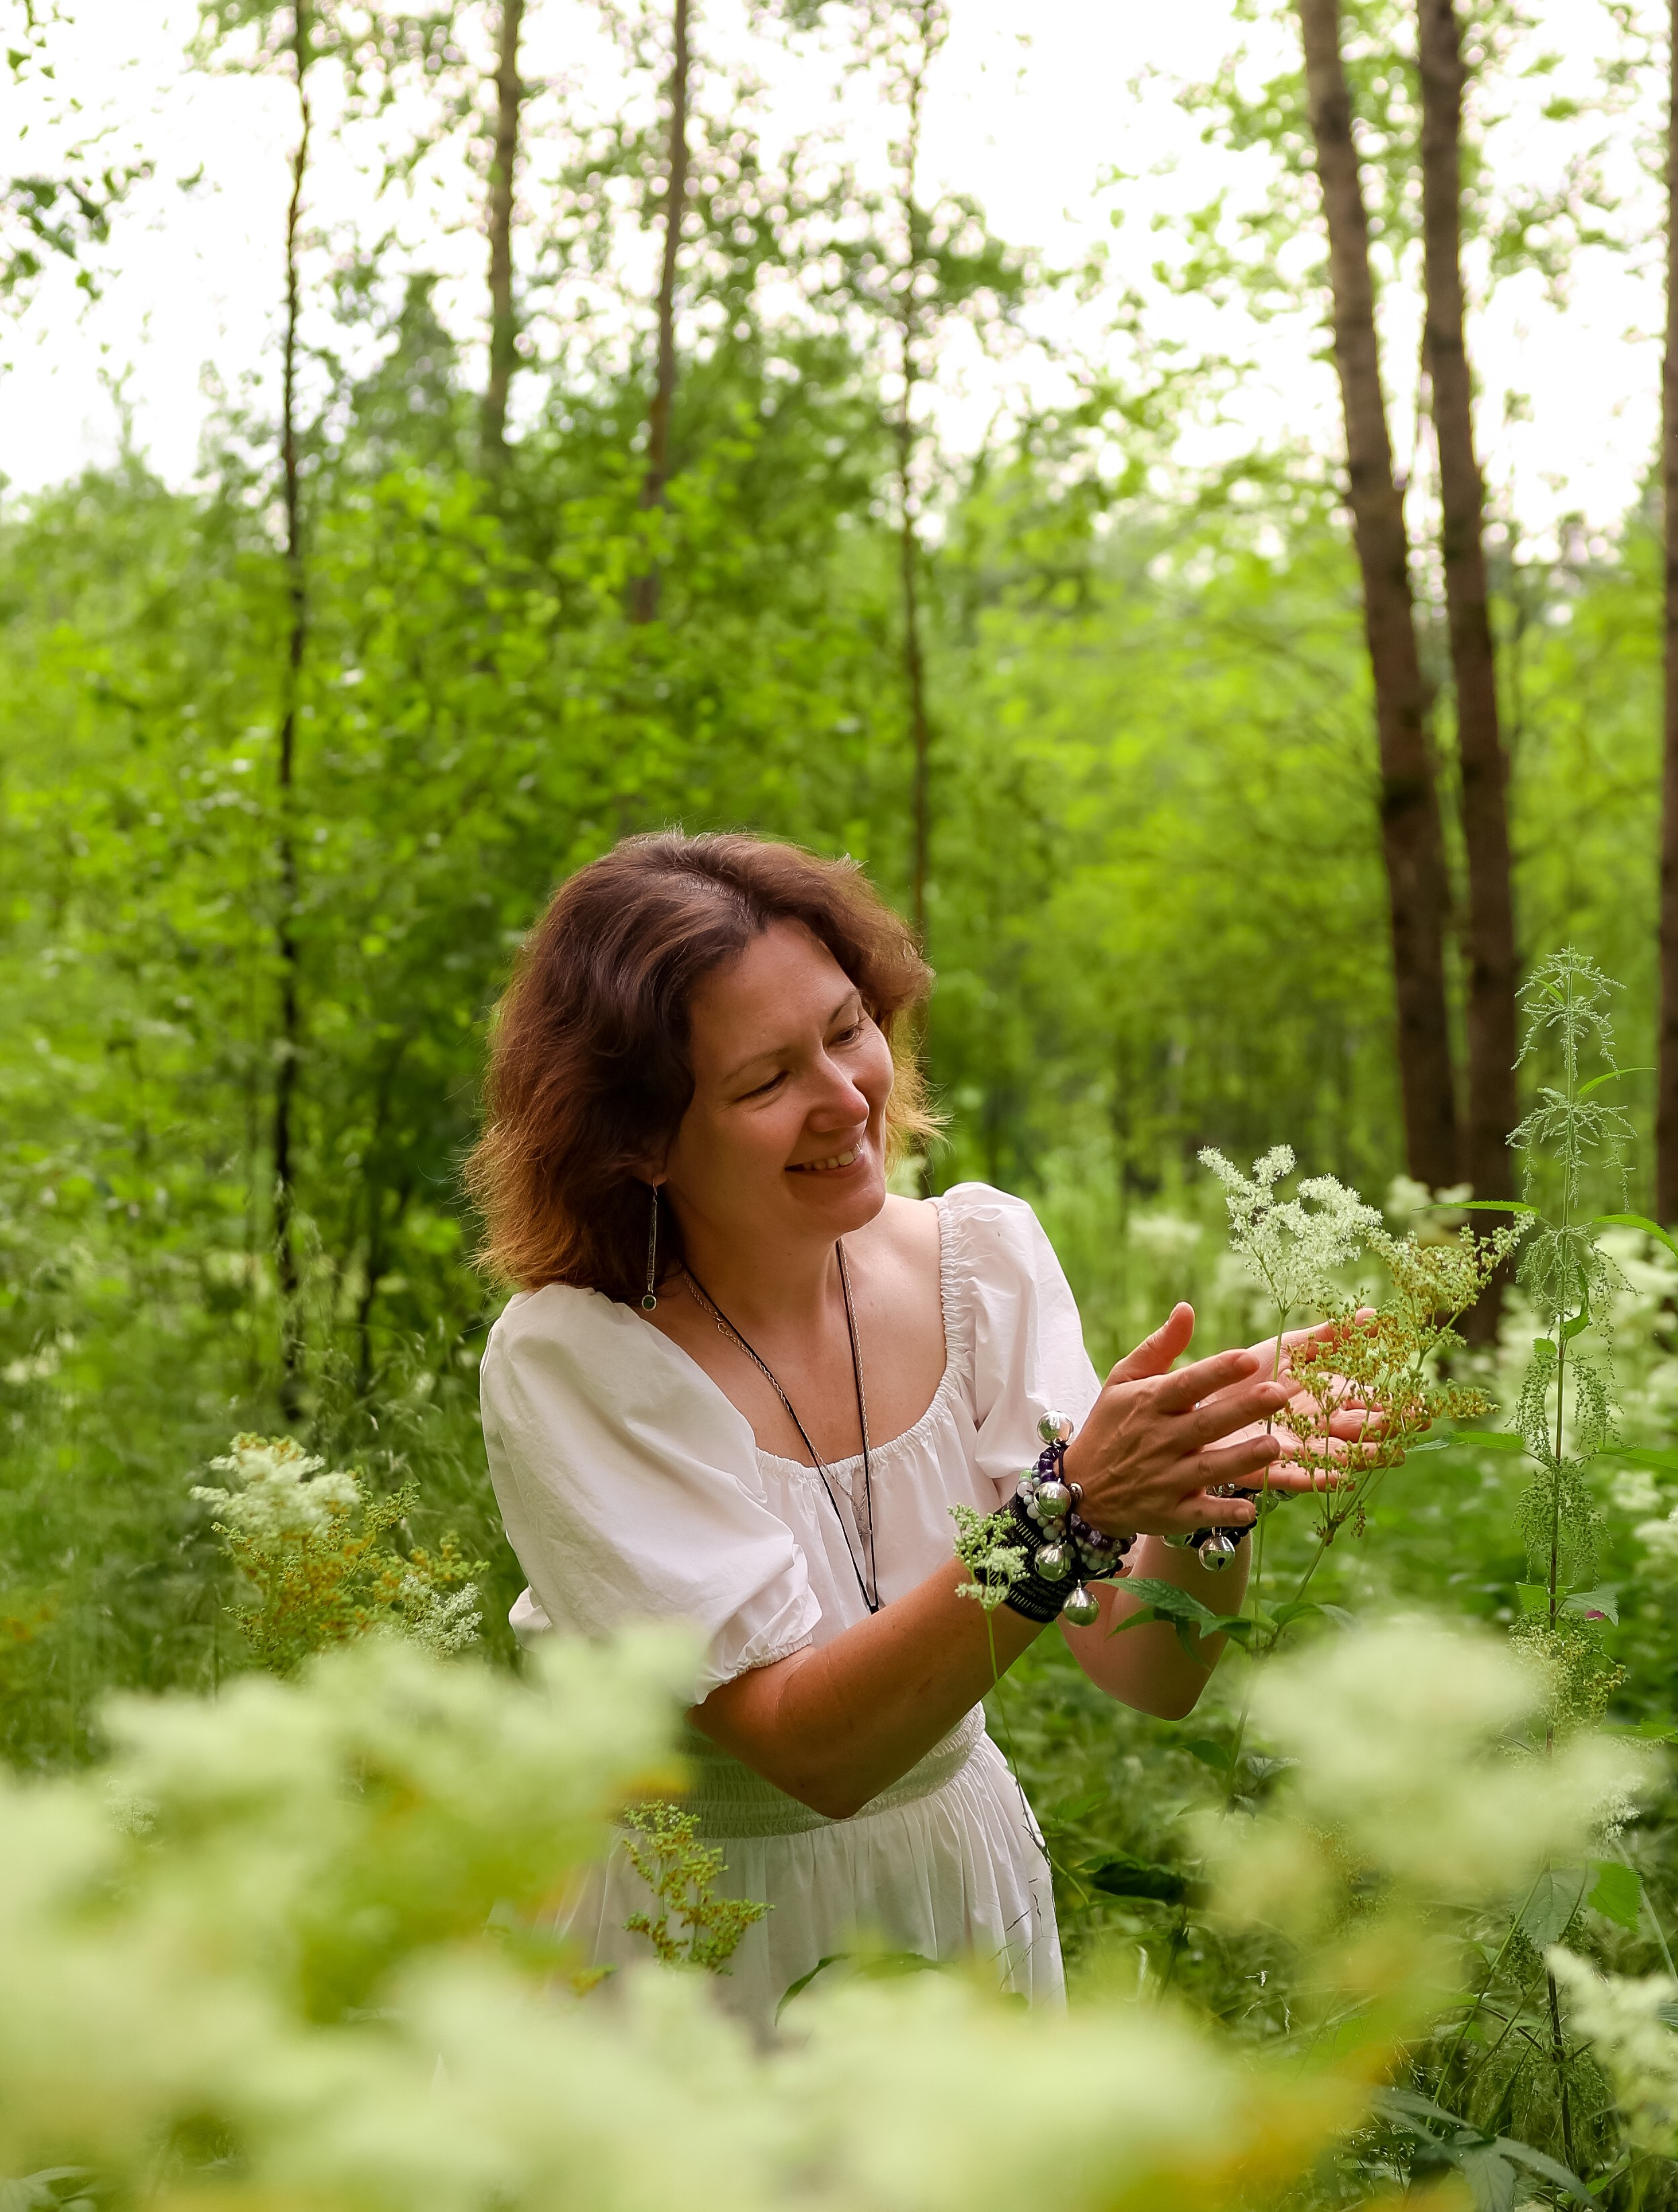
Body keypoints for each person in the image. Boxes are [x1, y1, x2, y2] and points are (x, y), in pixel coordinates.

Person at [469, 831, 1373, 2029]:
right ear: (635, 1139)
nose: (848, 1099)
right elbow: (812, 1752)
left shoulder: (978, 1260)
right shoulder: (574, 1364)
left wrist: (1213, 1483)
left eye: (849, 1030)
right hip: (694, 1943)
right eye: (763, 1081)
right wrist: (1071, 1510)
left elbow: (1146, 1667)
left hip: (956, 1895)